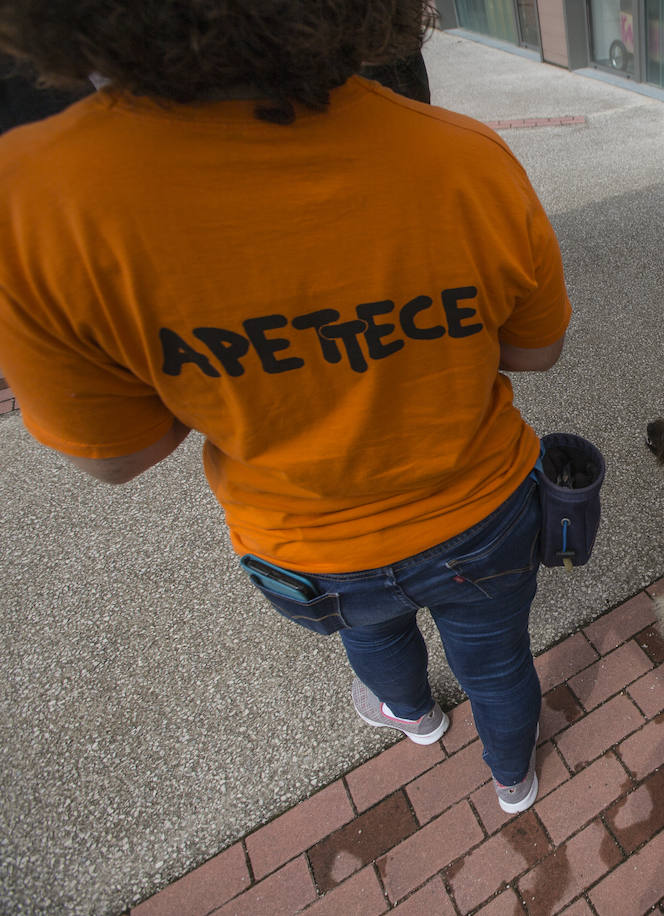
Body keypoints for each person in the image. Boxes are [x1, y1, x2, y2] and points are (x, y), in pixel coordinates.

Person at [0, 1, 571, 814]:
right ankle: (513, 780)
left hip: (306, 542)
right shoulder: (464, 158)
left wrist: (233, 374)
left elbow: (119, 455)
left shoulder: (32, 200)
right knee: (500, 660)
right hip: (481, 513)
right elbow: (536, 351)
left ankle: (412, 716)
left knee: (370, 631)